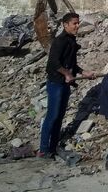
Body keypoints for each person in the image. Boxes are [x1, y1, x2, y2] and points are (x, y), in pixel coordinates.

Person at [38, 13, 95, 158]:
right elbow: (53, 63)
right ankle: (43, 149)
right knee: (53, 115)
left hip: (65, 84)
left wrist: (83, 72)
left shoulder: (71, 41)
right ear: (65, 25)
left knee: (60, 116)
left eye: (78, 23)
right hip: (56, 83)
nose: (77, 26)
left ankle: (53, 147)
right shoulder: (59, 41)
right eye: (74, 23)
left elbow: (72, 64)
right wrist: (66, 74)